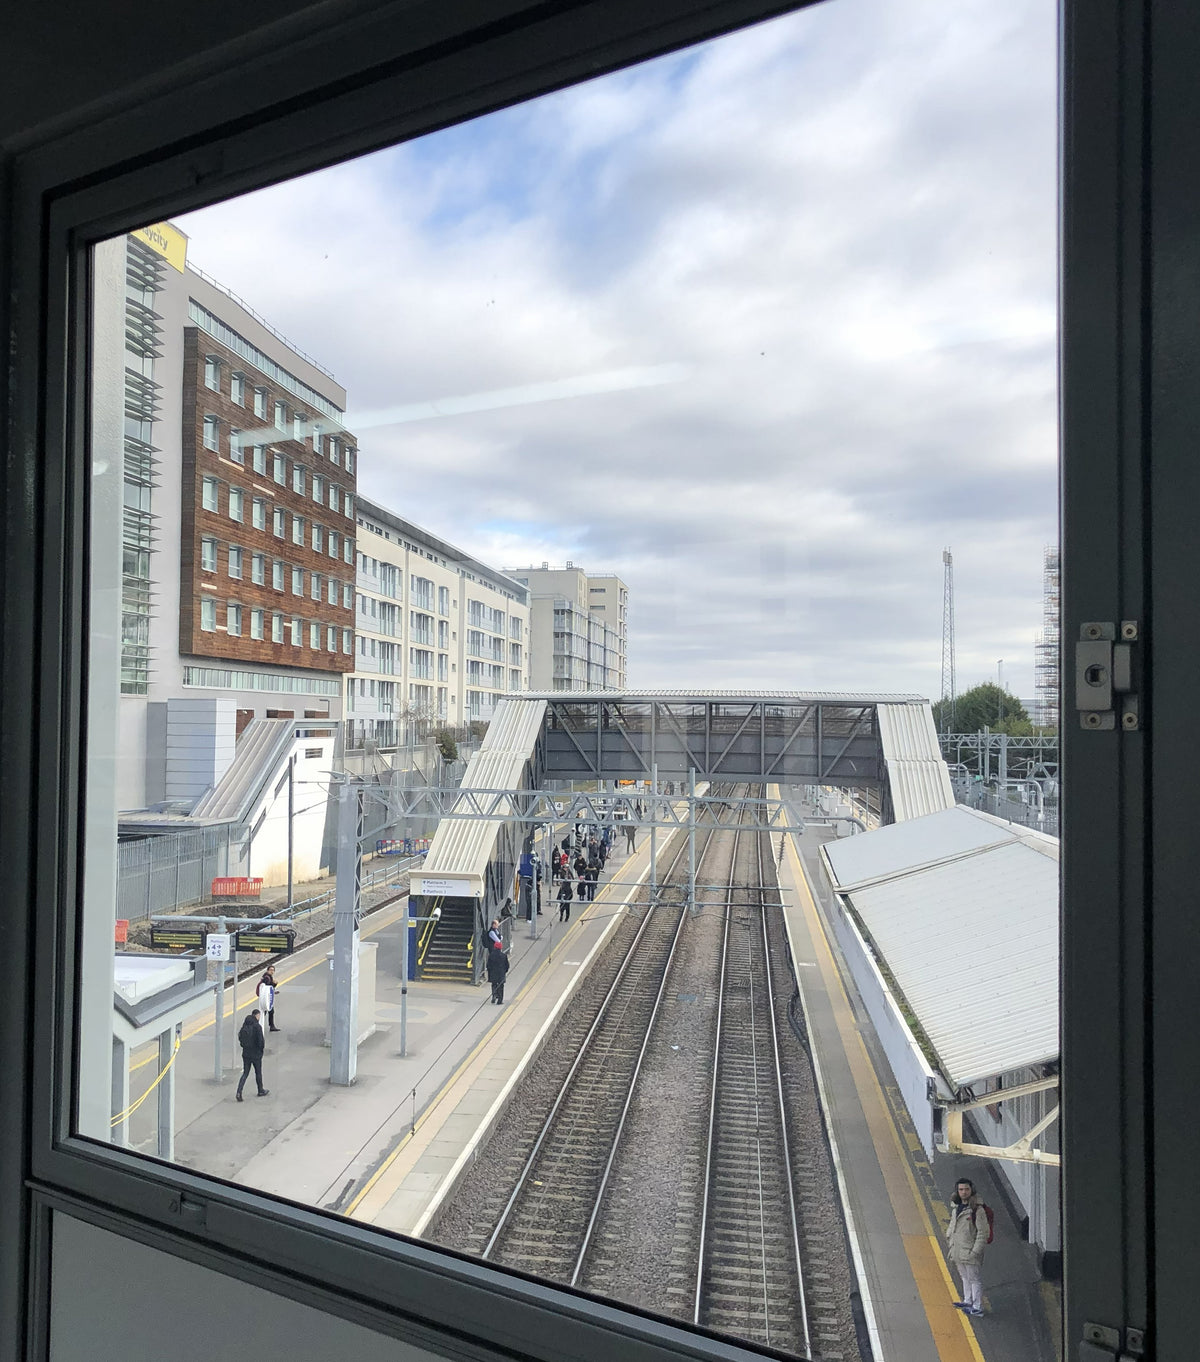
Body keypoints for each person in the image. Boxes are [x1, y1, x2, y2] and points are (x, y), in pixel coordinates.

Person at [947, 1177, 989, 1317]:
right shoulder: (956, 1207)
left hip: (970, 1251)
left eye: (966, 1189)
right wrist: (950, 1241)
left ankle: (977, 1306)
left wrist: (975, 1251)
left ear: (971, 1190)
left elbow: (983, 1233)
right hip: (958, 1249)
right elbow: (953, 1226)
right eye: (961, 1189)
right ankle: (967, 1300)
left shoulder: (977, 1210)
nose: (963, 1192)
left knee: (974, 1279)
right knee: (964, 1277)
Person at [235, 1009, 269, 1101]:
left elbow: (241, 1038)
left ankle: (239, 1092)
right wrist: (261, 1051)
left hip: (246, 1053)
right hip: (256, 1054)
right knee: (258, 1072)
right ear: (257, 1015)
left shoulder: (245, 1026)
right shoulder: (257, 1027)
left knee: (245, 1073)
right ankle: (260, 1090)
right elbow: (261, 1042)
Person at [257, 965, 280, 1032]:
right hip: (266, 998)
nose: (272, 971)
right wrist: (274, 984)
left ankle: (271, 1026)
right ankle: (259, 1025)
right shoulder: (267, 978)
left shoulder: (268, 977)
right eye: (271, 970)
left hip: (267, 997)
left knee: (269, 1011)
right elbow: (267, 988)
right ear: (267, 970)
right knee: (265, 1011)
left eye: (273, 970)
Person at [486, 939, 509, 1004]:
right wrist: (505, 971)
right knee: (501, 986)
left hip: (493, 973)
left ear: (494, 947)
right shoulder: (503, 956)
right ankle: (500, 1000)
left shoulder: (491, 955)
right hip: (501, 974)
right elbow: (507, 965)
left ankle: (494, 995)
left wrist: (489, 971)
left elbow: (488, 965)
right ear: (500, 948)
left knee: (494, 985)